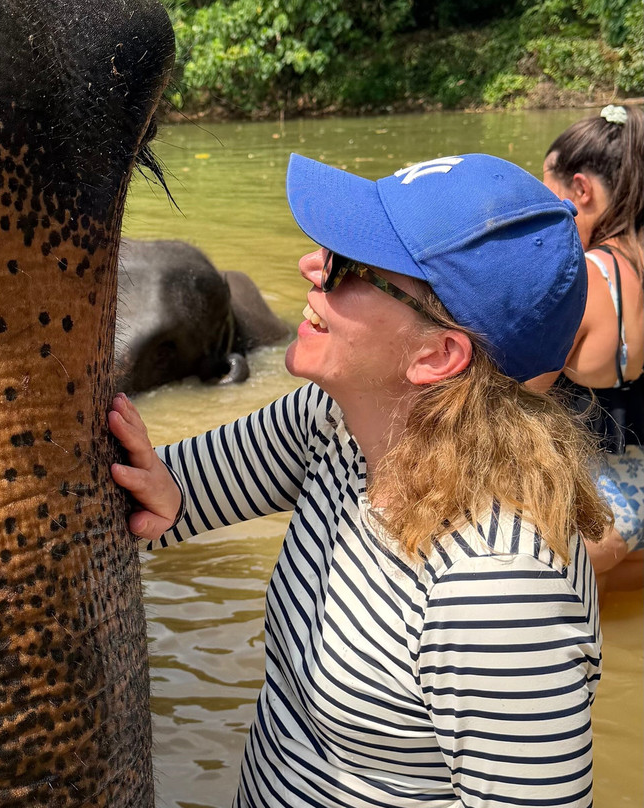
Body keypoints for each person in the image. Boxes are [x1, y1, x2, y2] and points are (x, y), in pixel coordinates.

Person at [109, 153, 607, 808]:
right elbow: (172, 495)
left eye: (347, 268)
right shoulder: (336, 429)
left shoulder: (497, 589)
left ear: (435, 355)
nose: (310, 269)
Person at [540, 103, 644, 595]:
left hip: (598, 504)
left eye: (549, 192)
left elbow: (527, 381)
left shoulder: (587, 278)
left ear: (580, 190)